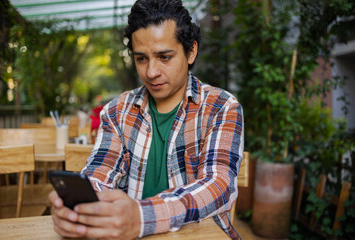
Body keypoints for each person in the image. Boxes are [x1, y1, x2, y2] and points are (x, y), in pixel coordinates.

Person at [48, 0, 244, 239]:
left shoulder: (221, 107)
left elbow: (218, 185)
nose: (151, 72)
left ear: (191, 51)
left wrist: (142, 217)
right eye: (141, 59)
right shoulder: (117, 111)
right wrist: (79, 208)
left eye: (164, 57)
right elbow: (99, 172)